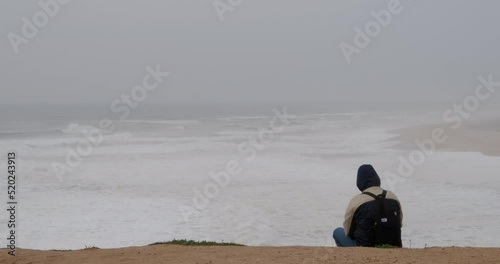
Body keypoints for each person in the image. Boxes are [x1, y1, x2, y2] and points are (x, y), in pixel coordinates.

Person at [333, 164, 403, 247]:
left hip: (364, 246)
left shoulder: (356, 200)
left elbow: (347, 231)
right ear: (377, 179)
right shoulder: (393, 196)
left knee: (337, 232)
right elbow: (400, 223)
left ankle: (349, 257)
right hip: (394, 245)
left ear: (359, 182)